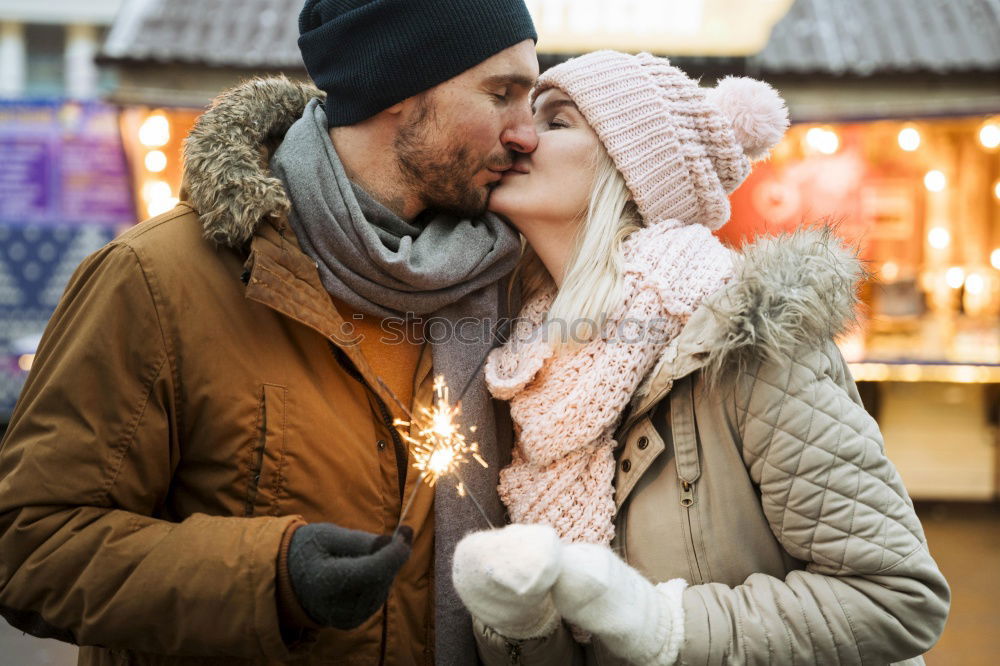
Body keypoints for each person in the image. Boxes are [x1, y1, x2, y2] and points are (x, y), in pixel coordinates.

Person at [0, 1, 539, 664]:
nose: (527, 133)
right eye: (502, 93)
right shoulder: (155, 278)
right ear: (399, 88)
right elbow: (32, 546)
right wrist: (272, 577)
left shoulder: (507, 283)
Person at [450, 51, 950, 665]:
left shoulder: (744, 343)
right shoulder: (529, 371)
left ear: (629, 170)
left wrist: (663, 626)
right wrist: (519, 627)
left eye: (557, 121)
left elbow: (897, 598)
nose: (521, 135)